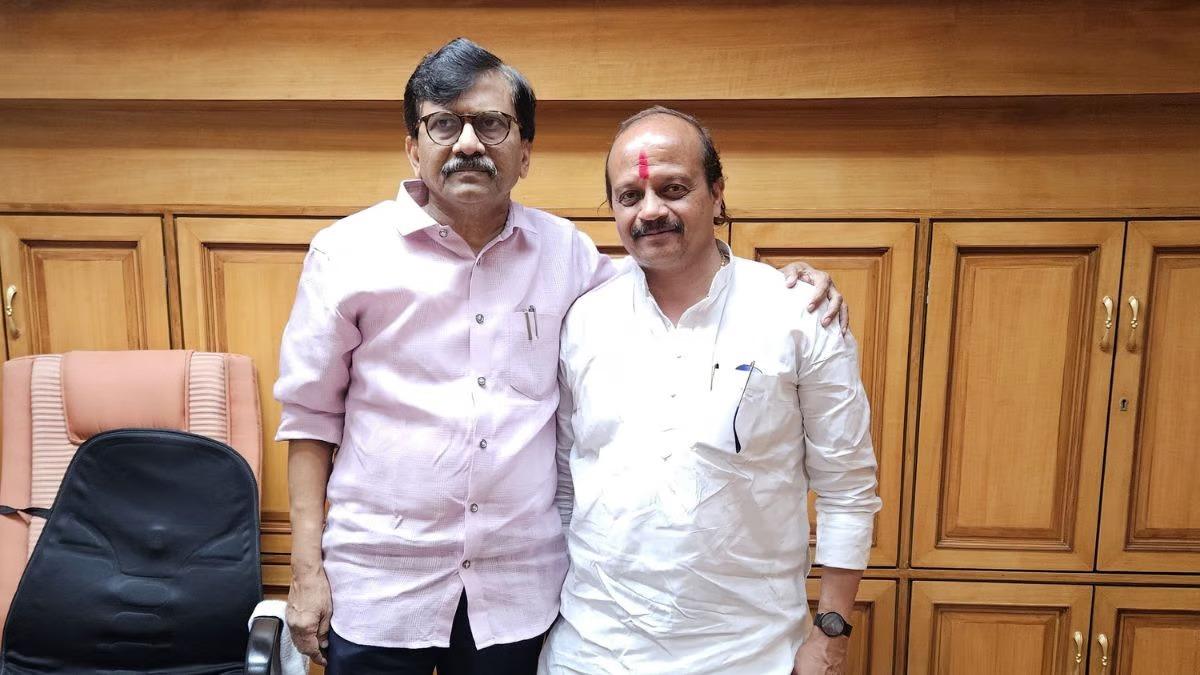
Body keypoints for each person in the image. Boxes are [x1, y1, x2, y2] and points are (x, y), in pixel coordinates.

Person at [275, 39, 847, 674]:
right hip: (380, 587)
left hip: (517, 595)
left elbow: (672, 271)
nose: (469, 142)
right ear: (414, 146)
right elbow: (309, 420)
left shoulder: (569, 257)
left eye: (492, 123)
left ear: (524, 153)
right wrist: (306, 573)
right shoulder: (345, 255)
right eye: (444, 124)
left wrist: (781, 285)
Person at [540, 106, 881, 675]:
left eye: (673, 189)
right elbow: (565, 480)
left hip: (750, 653)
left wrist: (831, 635)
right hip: (593, 650)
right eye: (630, 196)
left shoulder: (798, 314)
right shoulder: (583, 319)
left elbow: (848, 488)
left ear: (717, 194)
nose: (651, 210)